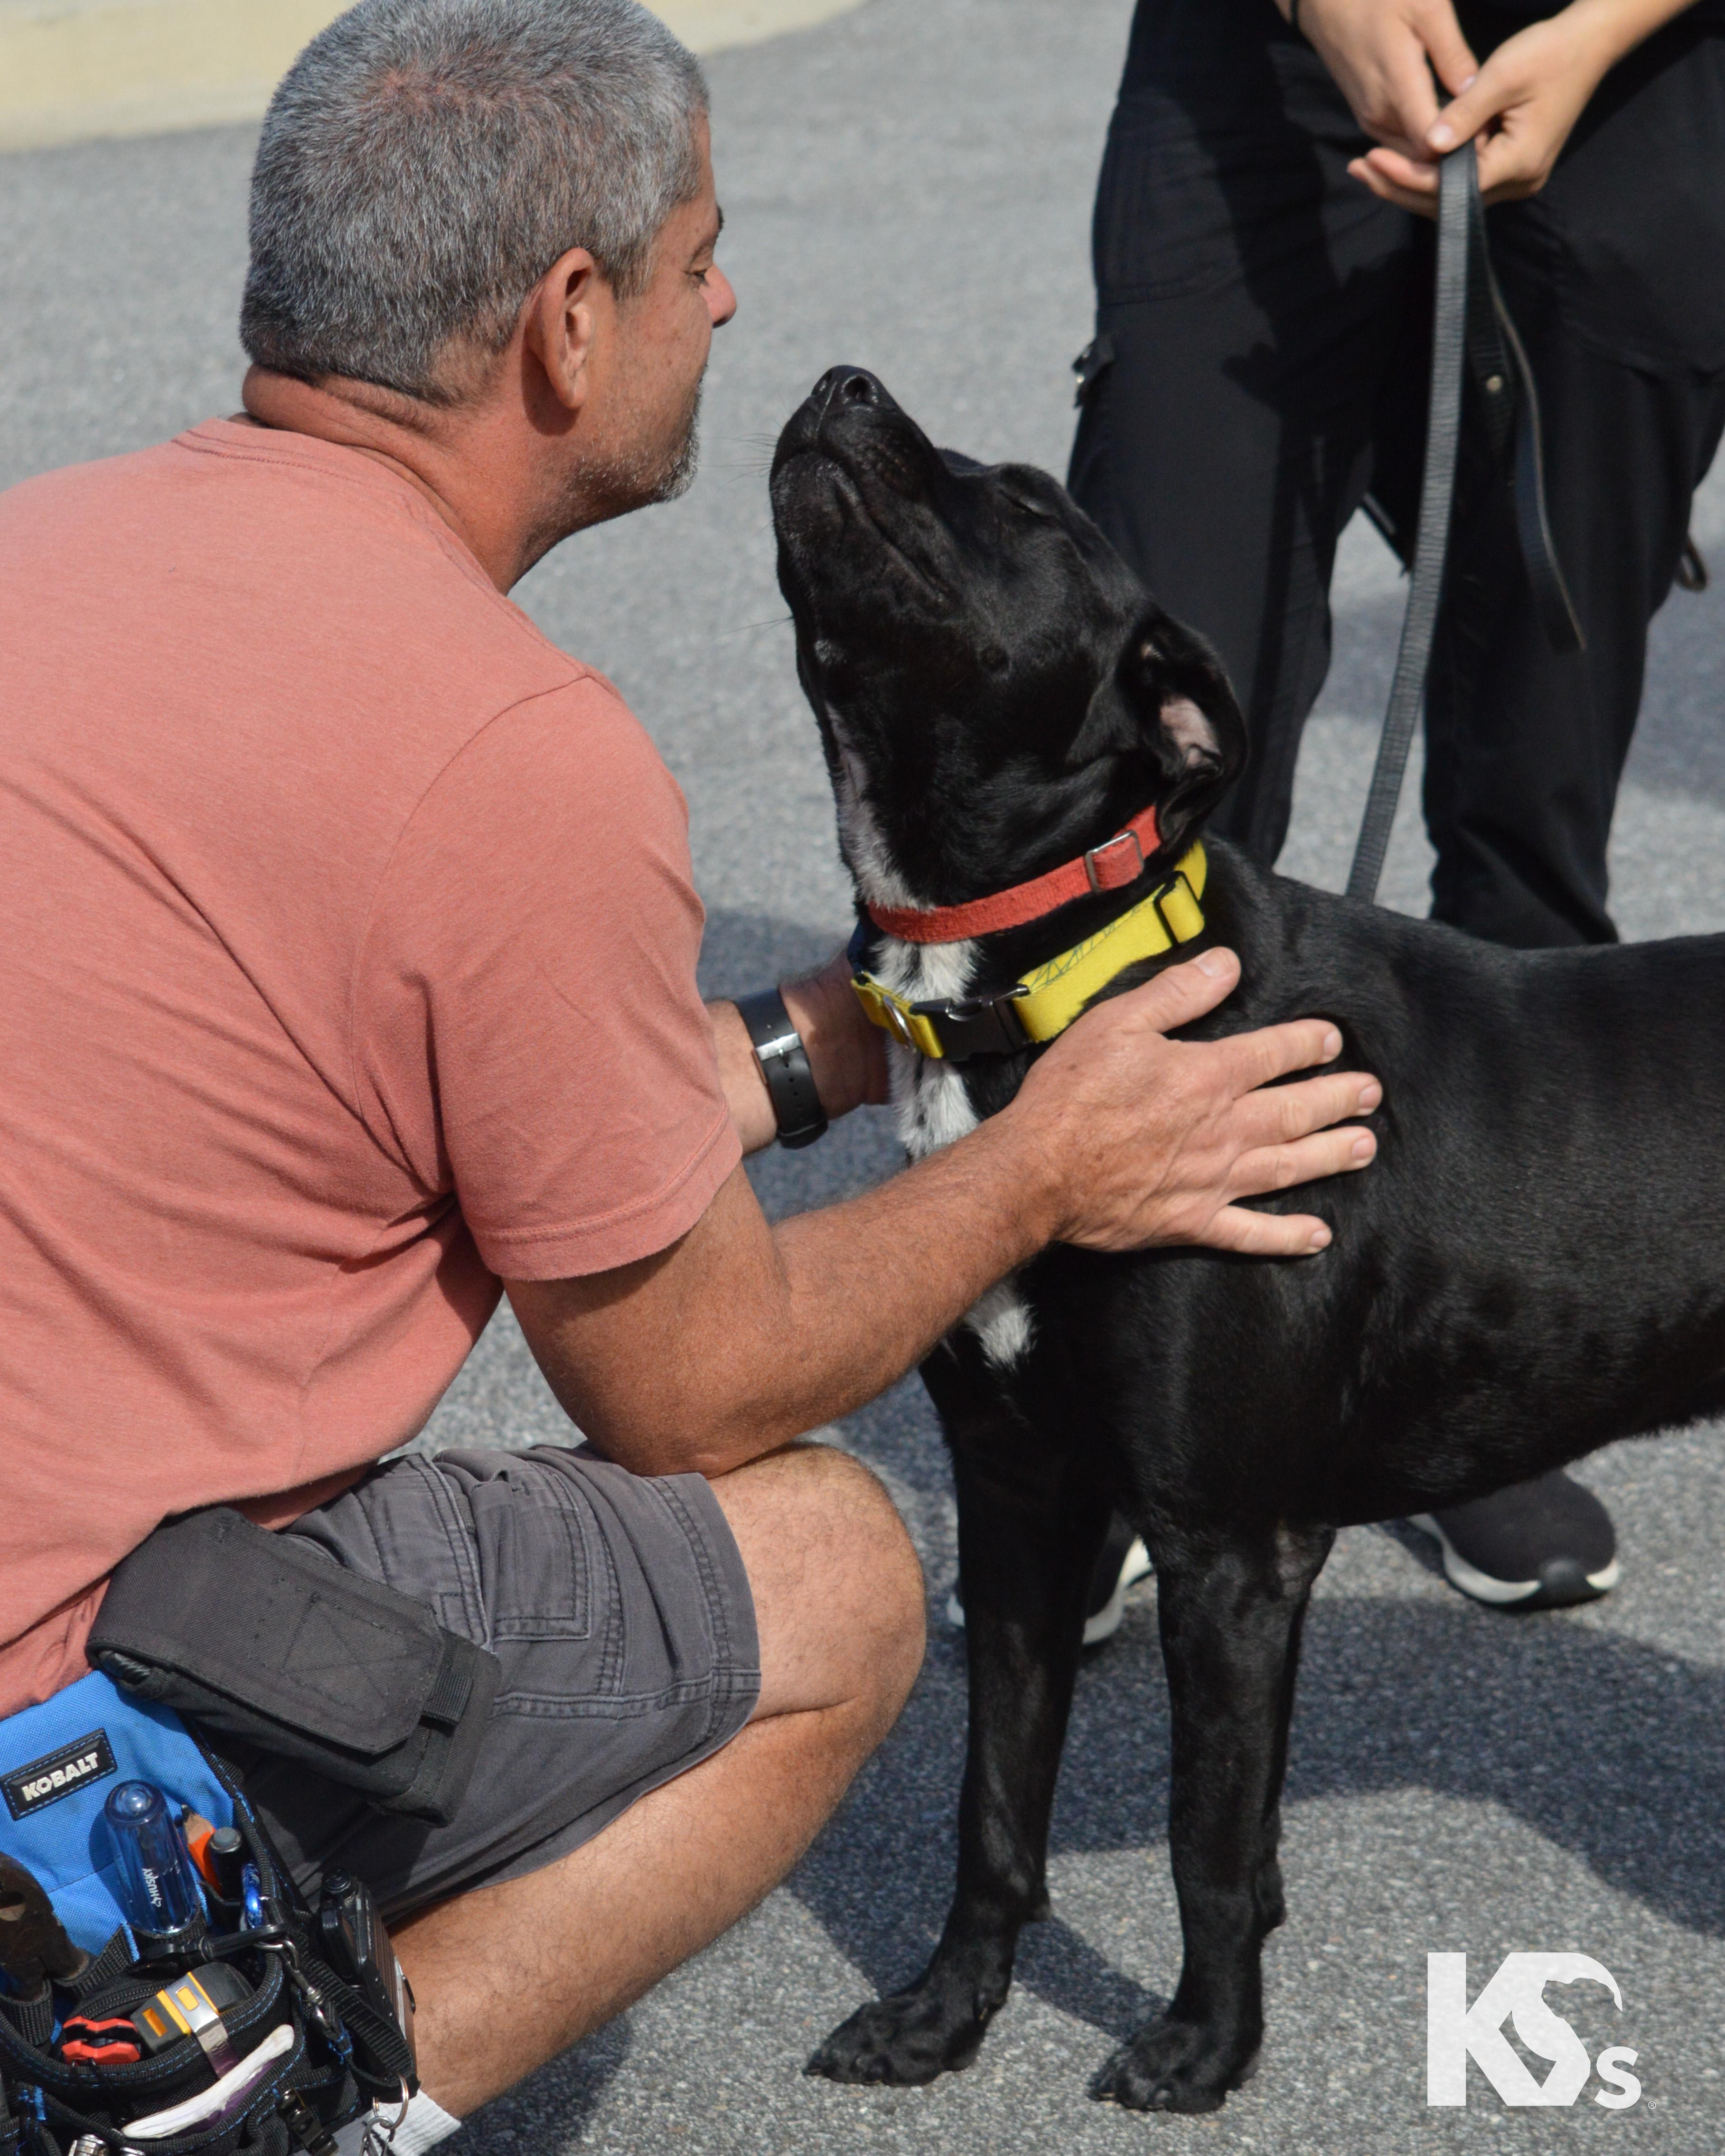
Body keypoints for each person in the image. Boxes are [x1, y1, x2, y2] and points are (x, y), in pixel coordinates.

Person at [0, 0, 1385, 2138]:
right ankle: (280, 2091)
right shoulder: (511, 751)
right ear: (570, 322)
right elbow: (691, 1384)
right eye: (697, 251)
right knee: (830, 1567)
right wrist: (1053, 1162)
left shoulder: (46, 548)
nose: (726, 296)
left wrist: (815, 1052)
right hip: (65, 1691)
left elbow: (383, 1084)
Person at [1068, 0, 1725, 1612]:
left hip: (1630, 61)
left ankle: (1486, 1362)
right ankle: (1116, 1371)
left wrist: (1595, 31)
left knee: (1535, 773)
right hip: (1266, 54)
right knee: (1154, 734)